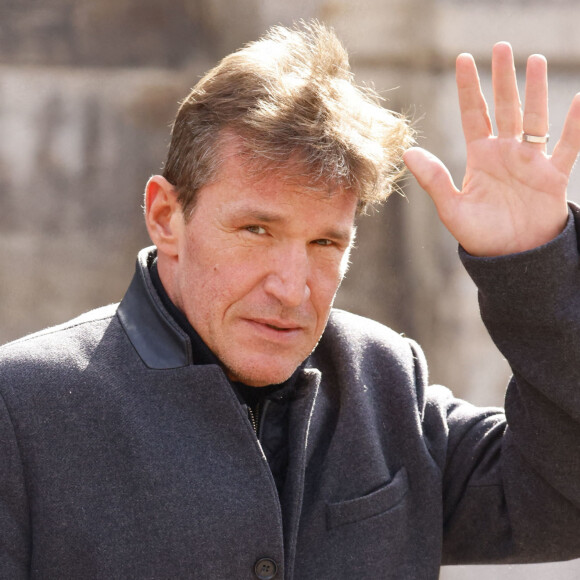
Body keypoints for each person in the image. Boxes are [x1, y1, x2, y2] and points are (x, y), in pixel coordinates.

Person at [1, 21, 580, 580]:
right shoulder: (22, 408)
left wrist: (533, 269)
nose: (292, 287)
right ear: (165, 217)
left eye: (325, 241)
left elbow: (562, 503)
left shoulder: (383, 379)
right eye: (257, 230)